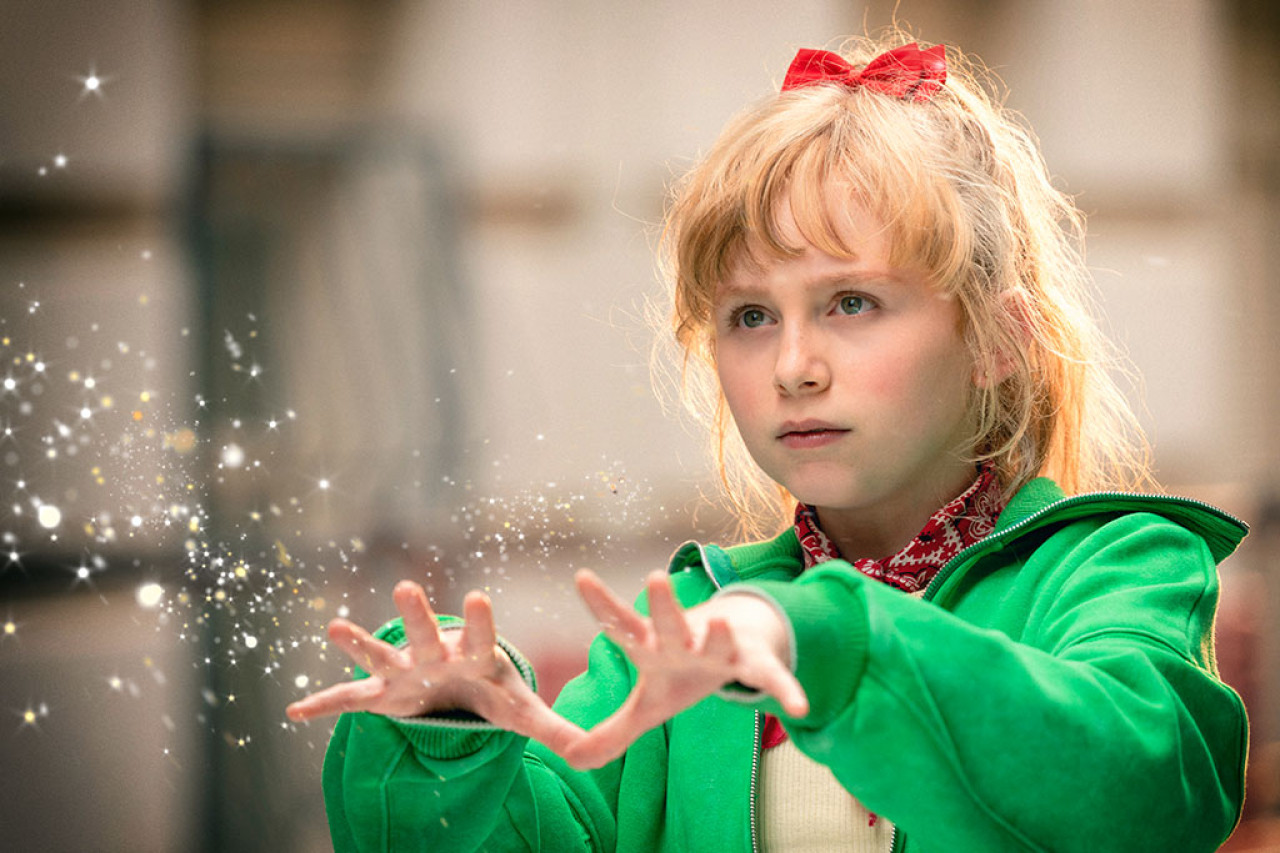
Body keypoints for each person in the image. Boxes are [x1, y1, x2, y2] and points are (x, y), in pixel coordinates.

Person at [286, 34, 1248, 852]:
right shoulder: (688, 623)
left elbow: (1145, 783)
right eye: (750, 316)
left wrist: (821, 632)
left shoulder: (1119, 566)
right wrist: (456, 734)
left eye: (851, 302)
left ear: (1000, 338)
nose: (793, 366)